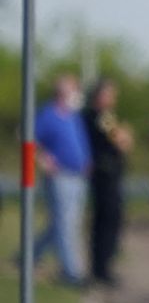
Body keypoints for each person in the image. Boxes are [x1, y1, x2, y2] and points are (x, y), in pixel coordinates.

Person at [32, 73, 92, 287]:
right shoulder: (48, 115)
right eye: (73, 90)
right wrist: (44, 160)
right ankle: (71, 272)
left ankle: (31, 254)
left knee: (62, 223)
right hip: (60, 176)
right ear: (62, 92)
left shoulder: (73, 116)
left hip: (78, 176)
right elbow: (31, 139)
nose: (76, 94)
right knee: (66, 224)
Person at [82, 78, 135, 286]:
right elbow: (122, 141)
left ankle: (102, 267)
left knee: (107, 221)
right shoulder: (100, 117)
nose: (114, 99)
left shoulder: (97, 116)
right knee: (108, 221)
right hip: (105, 176)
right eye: (110, 94)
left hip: (107, 175)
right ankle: (102, 270)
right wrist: (125, 135)